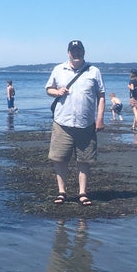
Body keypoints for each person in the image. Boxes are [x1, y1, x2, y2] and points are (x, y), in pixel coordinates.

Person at [45, 40, 105, 206]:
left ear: (84, 51)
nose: (76, 53)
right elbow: (48, 89)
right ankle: (62, 192)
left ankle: (82, 193)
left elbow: (101, 96)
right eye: (73, 50)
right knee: (60, 159)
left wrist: (100, 118)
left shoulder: (94, 71)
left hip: (86, 123)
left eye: (79, 50)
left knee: (84, 160)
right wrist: (56, 91)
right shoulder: (59, 69)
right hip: (62, 122)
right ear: (68, 53)